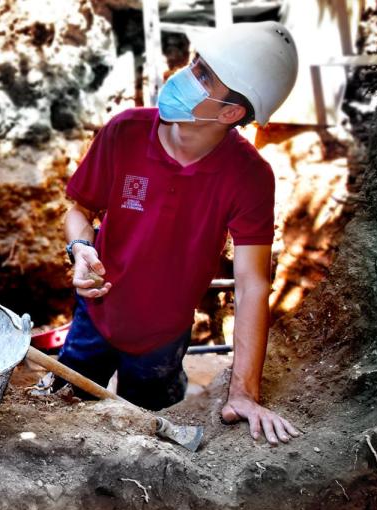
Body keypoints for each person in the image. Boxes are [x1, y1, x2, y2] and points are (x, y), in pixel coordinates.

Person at [55, 21, 301, 445]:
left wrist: (244, 392)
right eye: (195, 64)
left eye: (204, 75)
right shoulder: (125, 131)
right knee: (60, 427)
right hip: (94, 319)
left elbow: (251, 282)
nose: (185, 76)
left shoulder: (250, 177)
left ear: (231, 113)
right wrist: (80, 247)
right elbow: (79, 208)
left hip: (163, 341)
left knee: (149, 446)